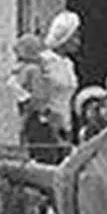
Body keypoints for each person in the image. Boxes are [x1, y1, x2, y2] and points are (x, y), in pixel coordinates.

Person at [10, 34, 63, 165]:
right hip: (36, 114)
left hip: (30, 114)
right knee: (43, 149)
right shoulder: (33, 70)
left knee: (37, 148)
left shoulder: (23, 70)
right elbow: (37, 96)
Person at [42, 11, 82, 142]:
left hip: (66, 126)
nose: (78, 42)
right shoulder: (44, 60)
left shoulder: (69, 63)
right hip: (47, 126)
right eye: (75, 37)